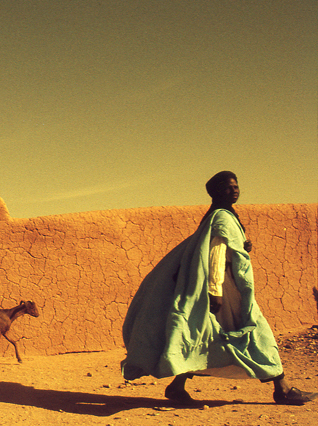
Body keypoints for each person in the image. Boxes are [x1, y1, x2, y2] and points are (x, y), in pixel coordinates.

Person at [121, 171, 315, 405]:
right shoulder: (222, 218)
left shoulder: (222, 217)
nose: (234, 190)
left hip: (225, 287)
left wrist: (242, 246)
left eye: (236, 186)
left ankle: (177, 387)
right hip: (224, 289)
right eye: (228, 187)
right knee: (255, 332)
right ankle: (282, 389)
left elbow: (224, 248)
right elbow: (216, 254)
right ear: (215, 192)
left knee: (207, 335)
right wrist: (215, 291)